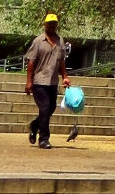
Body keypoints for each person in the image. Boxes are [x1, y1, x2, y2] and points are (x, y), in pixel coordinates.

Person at [24, 13, 71, 150]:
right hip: (39, 81)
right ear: (45, 25)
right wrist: (29, 82)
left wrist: (65, 77)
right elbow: (31, 62)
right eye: (49, 24)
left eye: (54, 24)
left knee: (50, 109)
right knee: (44, 108)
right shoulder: (38, 41)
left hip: (53, 81)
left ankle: (35, 125)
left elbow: (61, 61)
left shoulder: (60, 41)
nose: (52, 26)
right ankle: (44, 139)